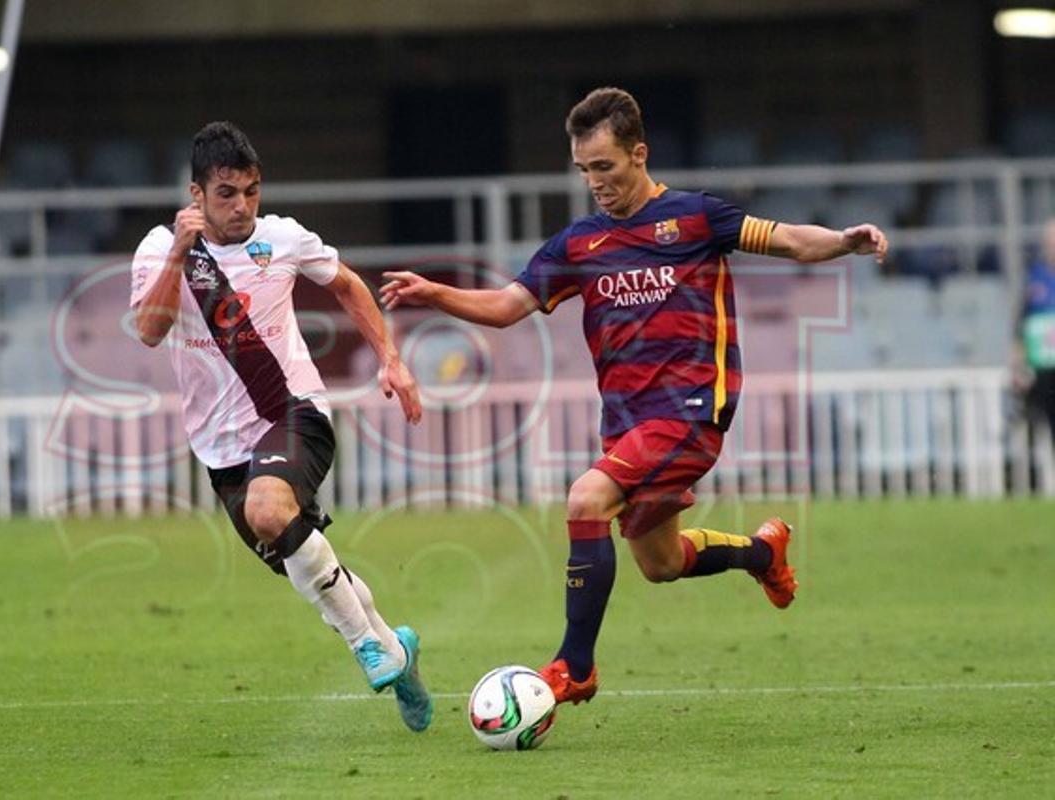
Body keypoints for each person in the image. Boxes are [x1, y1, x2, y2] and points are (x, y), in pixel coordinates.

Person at [381, 88, 889, 705]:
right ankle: (762, 553)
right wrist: (435, 293)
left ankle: (574, 666)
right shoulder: (578, 244)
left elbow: (788, 240)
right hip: (626, 423)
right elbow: (507, 306)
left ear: (639, 154)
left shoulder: (696, 217)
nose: (595, 182)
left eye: (605, 166)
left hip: (693, 410)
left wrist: (845, 240)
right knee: (661, 562)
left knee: (586, 498)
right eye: (583, 170)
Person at [131, 121, 432, 731]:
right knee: (310, 568)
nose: (242, 206)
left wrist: (391, 359)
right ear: (196, 195)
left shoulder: (284, 239)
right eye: (226, 194)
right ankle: (396, 650)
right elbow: (149, 330)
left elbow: (348, 285)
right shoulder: (160, 248)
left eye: (251, 191)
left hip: (293, 411)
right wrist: (179, 255)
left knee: (270, 511)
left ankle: (365, 647)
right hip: (221, 450)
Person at [1020, 219, 1055, 436]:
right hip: (1044, 369)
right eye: (1050, 243)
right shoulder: (1035, 277)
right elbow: (1022, 322)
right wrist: (1019, 363)